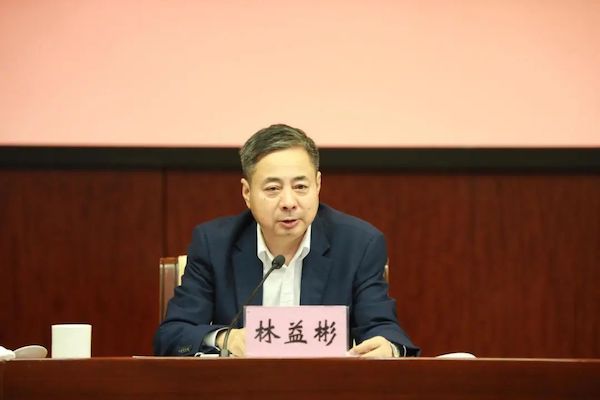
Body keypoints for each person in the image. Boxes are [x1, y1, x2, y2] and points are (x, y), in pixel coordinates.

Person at [154, 124, 418, 358]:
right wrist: (227, 338)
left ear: (318, 184)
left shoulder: (359, 244)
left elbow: (382, 327)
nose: (289, 202)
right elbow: (173, 335)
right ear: (247, 192)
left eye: (301, 187)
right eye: (273, 189)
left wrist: (389, 348)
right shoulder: (214, 244)